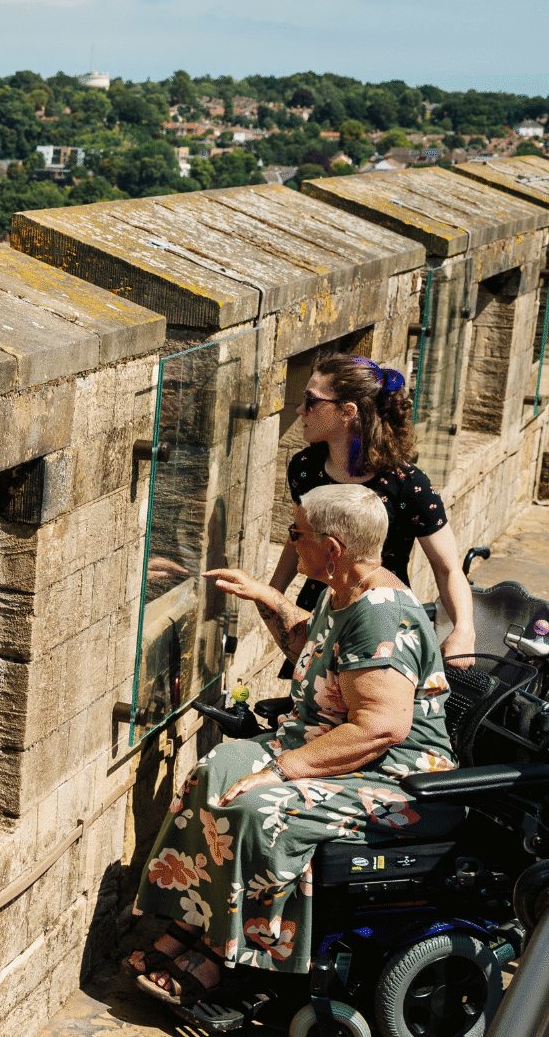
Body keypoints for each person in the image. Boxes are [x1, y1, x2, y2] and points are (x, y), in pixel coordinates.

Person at [127, 485, 460, 1020]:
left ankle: (230, 956)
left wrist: (282, 771)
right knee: (214, 774)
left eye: (295, 532)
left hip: (389, 773)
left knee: (261, 812)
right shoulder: (342, 587)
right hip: (325, 741)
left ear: (332, 547)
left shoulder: (380, 613)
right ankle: (193, 920)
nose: (290, 541)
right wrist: (269, 598)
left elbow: (382, 727)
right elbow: (315, 653)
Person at [271, 353, 474, 663]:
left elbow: (447, 567)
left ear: (347, 411)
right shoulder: (305, 468)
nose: (300, 410)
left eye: (310, 401)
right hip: (320, 612)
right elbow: (300, 535)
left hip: (382, 620)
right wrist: (273, 594)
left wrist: (464, 631)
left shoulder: (408, 483)